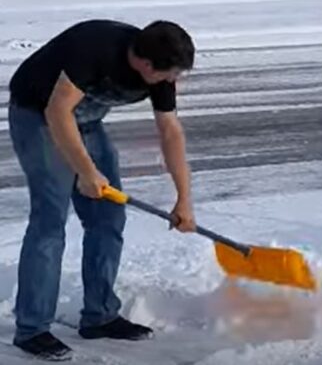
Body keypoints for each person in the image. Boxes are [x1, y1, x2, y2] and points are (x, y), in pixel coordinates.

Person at [7, 19, 198, 360]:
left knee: (108, 217)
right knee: (50, 219)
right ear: (144, 64)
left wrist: (184, 199)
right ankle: (32, 328)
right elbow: (58, 110)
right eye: (169, 74)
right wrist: (86, 171)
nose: (173, 82)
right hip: (37, 113)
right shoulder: (93, 48)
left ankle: (100, 316)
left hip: (86, 121)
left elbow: (170, 132)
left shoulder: (161, 70)